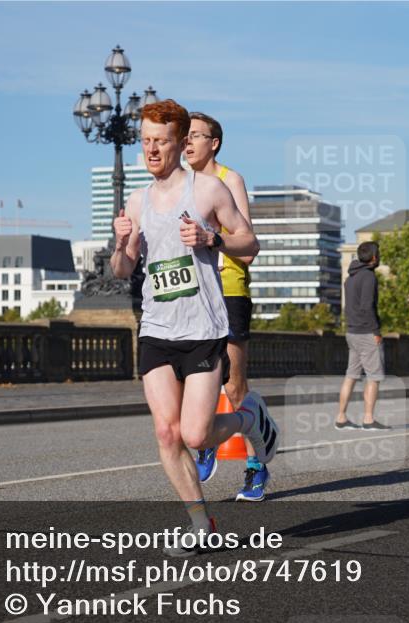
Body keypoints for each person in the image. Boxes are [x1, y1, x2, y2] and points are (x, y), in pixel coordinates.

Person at [111, 99, 279, 555]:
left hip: (203, 329)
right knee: (167, 433)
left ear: (180, 142)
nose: (151, 150)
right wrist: (121, 244)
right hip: (156, 329)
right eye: (145, 141)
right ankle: (201, 524)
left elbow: (250, 244)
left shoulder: (208, 190)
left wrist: (211, 238)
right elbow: (123, 270)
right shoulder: (137, 201)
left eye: (160, 141)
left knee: (196, 435)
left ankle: (249, 418)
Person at [183, 111, 268, 502]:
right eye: (183, 135)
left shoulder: (229, 180)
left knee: (233, 385)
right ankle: (205, 437)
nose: (187, 142)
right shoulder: (178, 185)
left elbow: (247, 249)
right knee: (190, 379)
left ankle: (256, 465)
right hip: (191, 292)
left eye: (195, 135)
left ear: (214, 142)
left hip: (228, 288)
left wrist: (211, 237)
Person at [336, 241, 390, 430]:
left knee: (350, 375)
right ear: (374, 257)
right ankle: (368, 419)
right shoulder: (368, 276)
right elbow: (367, 306)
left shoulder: (350, 277)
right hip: (367, 333)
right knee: (373, 377)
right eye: (378, 253)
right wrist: (376, 331)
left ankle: (341, 417)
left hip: (352, 331)